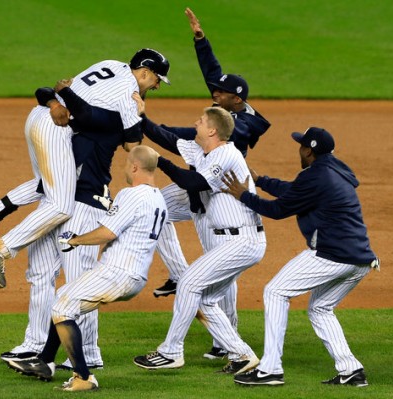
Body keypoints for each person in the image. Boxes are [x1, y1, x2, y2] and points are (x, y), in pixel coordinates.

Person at [0, 48, 170, 364]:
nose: (156, 86)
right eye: (156, 79)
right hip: (64, 197)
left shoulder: (108, 97)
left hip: (87, 202)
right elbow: (128, 140)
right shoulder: (120, 102)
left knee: (80, 281)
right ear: (143, 72)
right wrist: (58, 99)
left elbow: (131, 145)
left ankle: (87, 352)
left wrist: (57, 94)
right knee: (40, 273)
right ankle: (34, 344)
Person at [151, 7, 270, 361]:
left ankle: (226, 341)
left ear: (236, 101)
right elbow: (215, 77)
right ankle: (179, 274)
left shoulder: (241, 126)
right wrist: (200, 40)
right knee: (154, 207)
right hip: (200, 186)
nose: (213, 95)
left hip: (216, 195)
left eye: (220, 94)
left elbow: (193, 137)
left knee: (218, 268)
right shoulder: (226, 105)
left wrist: (162, 132)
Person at [221, 127, 379, 387]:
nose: (299, 149)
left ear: (308, 150)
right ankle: (351, 370)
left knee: (275, 292)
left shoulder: (316, 176)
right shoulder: (334, 170)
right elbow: (296, 190)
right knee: (320, 308)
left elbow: (277, 209)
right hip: (361, 260)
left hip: (333, 256)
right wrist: (262, 181)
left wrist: (244, 195)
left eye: (301, 146)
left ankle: (270, 369)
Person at [6, 145, 168, 392]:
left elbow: (107, 232)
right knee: (65, 299)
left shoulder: (131, 194)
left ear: (135, 167)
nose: (124, 168)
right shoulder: (159, 198)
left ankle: (83, 377)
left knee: (61, 307)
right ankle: (45, 361)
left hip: (117, 272)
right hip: (134, 276)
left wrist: (75, 239)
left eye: (126, 164)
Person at [133, 106, 266, 375]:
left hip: (241, 241)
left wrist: (161, 163)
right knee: (204, 299)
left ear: (212, 130)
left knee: (189, 284)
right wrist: (140, 118)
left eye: (201, 121)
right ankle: (242, 355)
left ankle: (170, 351)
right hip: (234, 241)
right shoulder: (203, 151)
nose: (196, 123)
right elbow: (168, 139)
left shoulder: (227, 155)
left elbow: (194, 183)